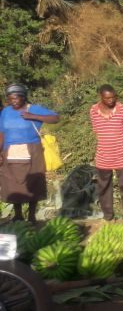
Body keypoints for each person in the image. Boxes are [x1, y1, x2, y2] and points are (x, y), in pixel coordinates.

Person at [0, 84, 60, 223]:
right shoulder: (5, 112)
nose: (13, 101)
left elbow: (56, 118)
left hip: (32, 150)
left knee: (33, 180)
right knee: (11, 181)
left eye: (16, 98)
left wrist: (33, 116)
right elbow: (1, 133)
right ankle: (18, 214)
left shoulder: (33, 108)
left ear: (23, 97)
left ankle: (32, 215)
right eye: (10, 99)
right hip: (10, 151)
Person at [90, 84, 123, 221]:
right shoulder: (93, 111)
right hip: (103, 157)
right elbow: (97, 130)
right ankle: (108, 217)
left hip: (121, 155)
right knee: (104, 188)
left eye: (113, 97)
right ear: (101, 97)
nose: (111, 100)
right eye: (107, 98)